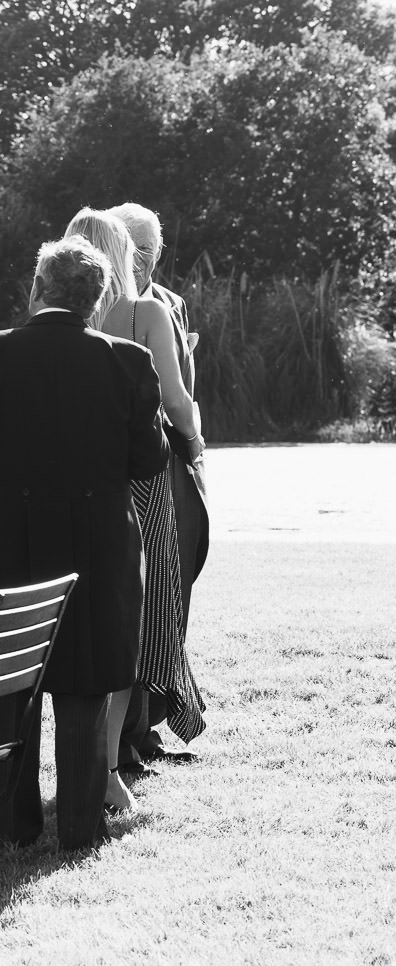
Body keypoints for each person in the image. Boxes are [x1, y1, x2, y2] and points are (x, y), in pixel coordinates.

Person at [0, 236, 168, 850]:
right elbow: (149, 462)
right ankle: (79, 824)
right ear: (97, 303)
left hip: (9, 543)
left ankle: (13, 824)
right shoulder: (125, 361)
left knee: (11, 684)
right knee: (87, 681)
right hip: (99, 542)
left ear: (36, 289)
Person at [64, 209, 207, 808]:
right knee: (143, 614)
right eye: (135, 248)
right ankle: (119, 753)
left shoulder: (62, 321)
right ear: (119, 255)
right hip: (142, 483)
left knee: (90, 618)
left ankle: (102, 754)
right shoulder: (144, 313)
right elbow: (174, 401)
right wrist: (195, 447)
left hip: (75, 484)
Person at [107, 201, 208, 772]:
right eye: (132, 247)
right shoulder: (113, 308)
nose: (141, 258)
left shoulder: (170, 305)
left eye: (150, 249)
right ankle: (126, 736)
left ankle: (149, 726)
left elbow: (186, 389)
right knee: (140, 598)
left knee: (176, 588)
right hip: (142, 471)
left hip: (179, 465)